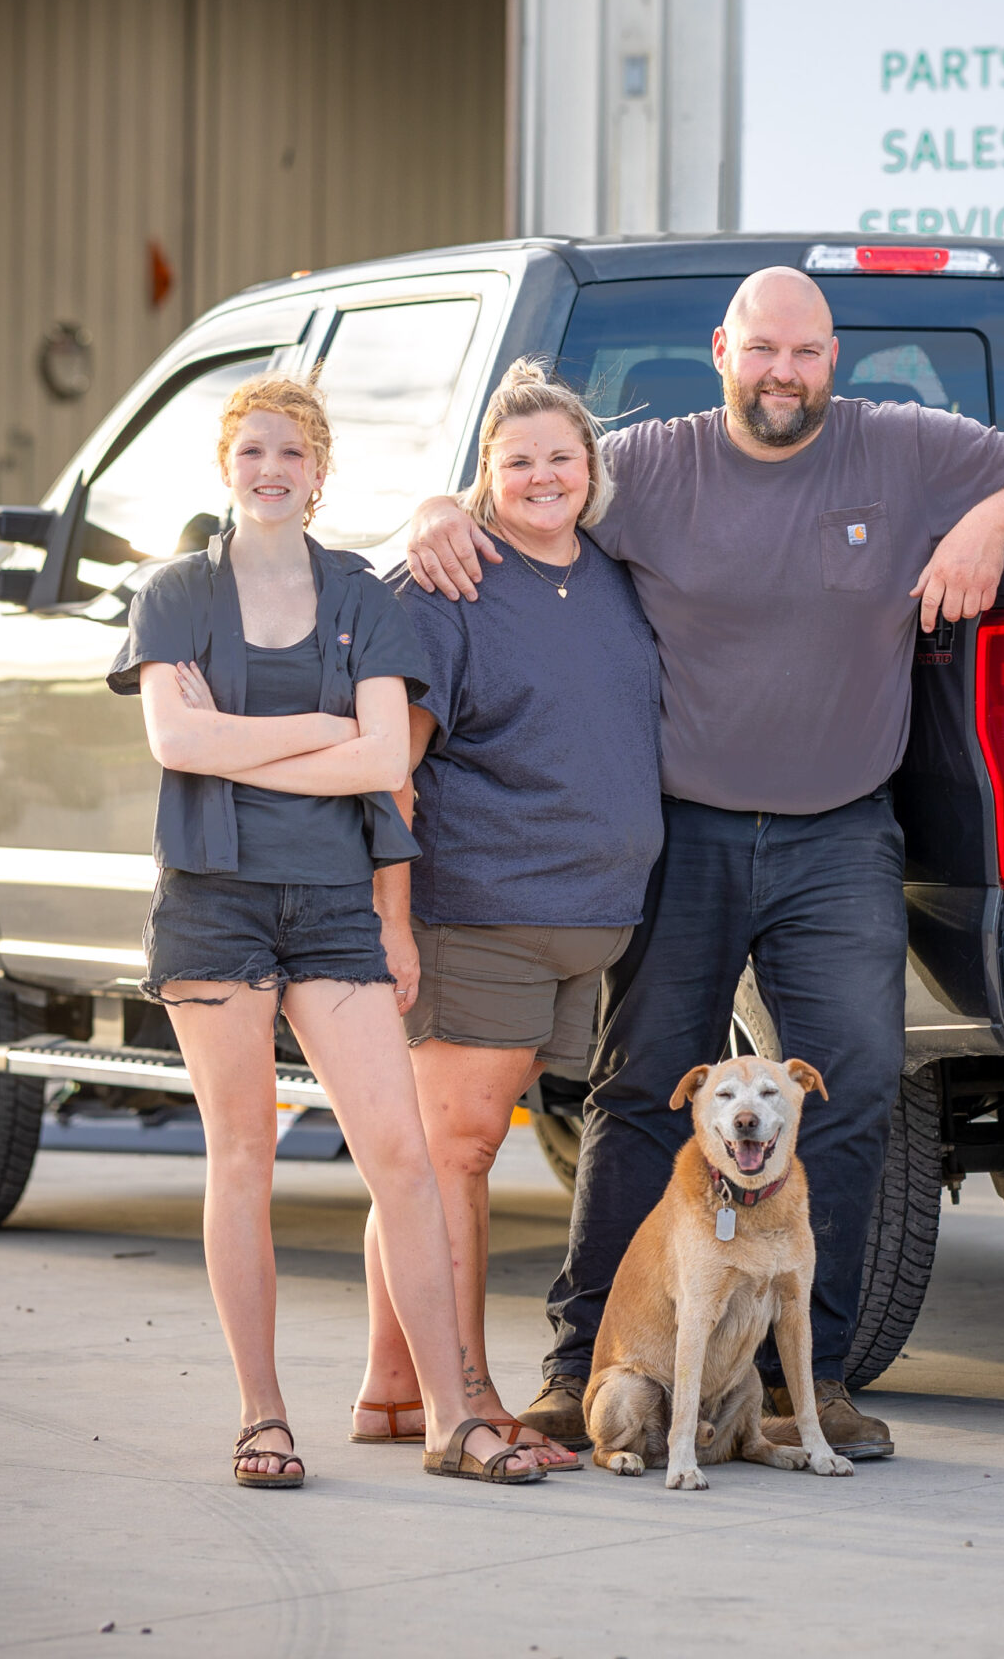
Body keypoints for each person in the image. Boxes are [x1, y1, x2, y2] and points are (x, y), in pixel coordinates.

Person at [406, 266, 1004, 1460]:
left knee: (853, 1087)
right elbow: (534, 487)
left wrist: (988, 520)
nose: (784, 373)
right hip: (688, 828)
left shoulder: (898, 446)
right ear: (722, 347)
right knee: (637, 1096)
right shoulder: (652, 462)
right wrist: (438, 507)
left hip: (842, 830)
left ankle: (810, 1379)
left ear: (834, 360)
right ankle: (585, 1363)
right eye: (763, 349)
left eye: (808, 353)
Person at [110, 375, 543, 1490]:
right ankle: (262, 1416)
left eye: (292, 453)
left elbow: (384, 761)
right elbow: (172, 742)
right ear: (225, 465)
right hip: (214, 899)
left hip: (332, 904)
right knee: (242, 1157)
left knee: (399, 1156)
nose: (271, 469)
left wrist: (242, 731)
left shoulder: (360, 593)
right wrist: (318, 725)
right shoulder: (173, 595)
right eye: (252, 450)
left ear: (319, 471)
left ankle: (449, 1414)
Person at [351, 361, 662, 1473]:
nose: (542, 475)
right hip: (478, 911)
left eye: (560, 456)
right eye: (516, 458)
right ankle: (464, 1397)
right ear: (484, 476)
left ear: (590, 468)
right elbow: (390, 771)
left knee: (444, 1157)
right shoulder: (449, 585)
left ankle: (394, 1386)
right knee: (457, 1157)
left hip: (583, 917)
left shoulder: (614, 574)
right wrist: (391, 920)